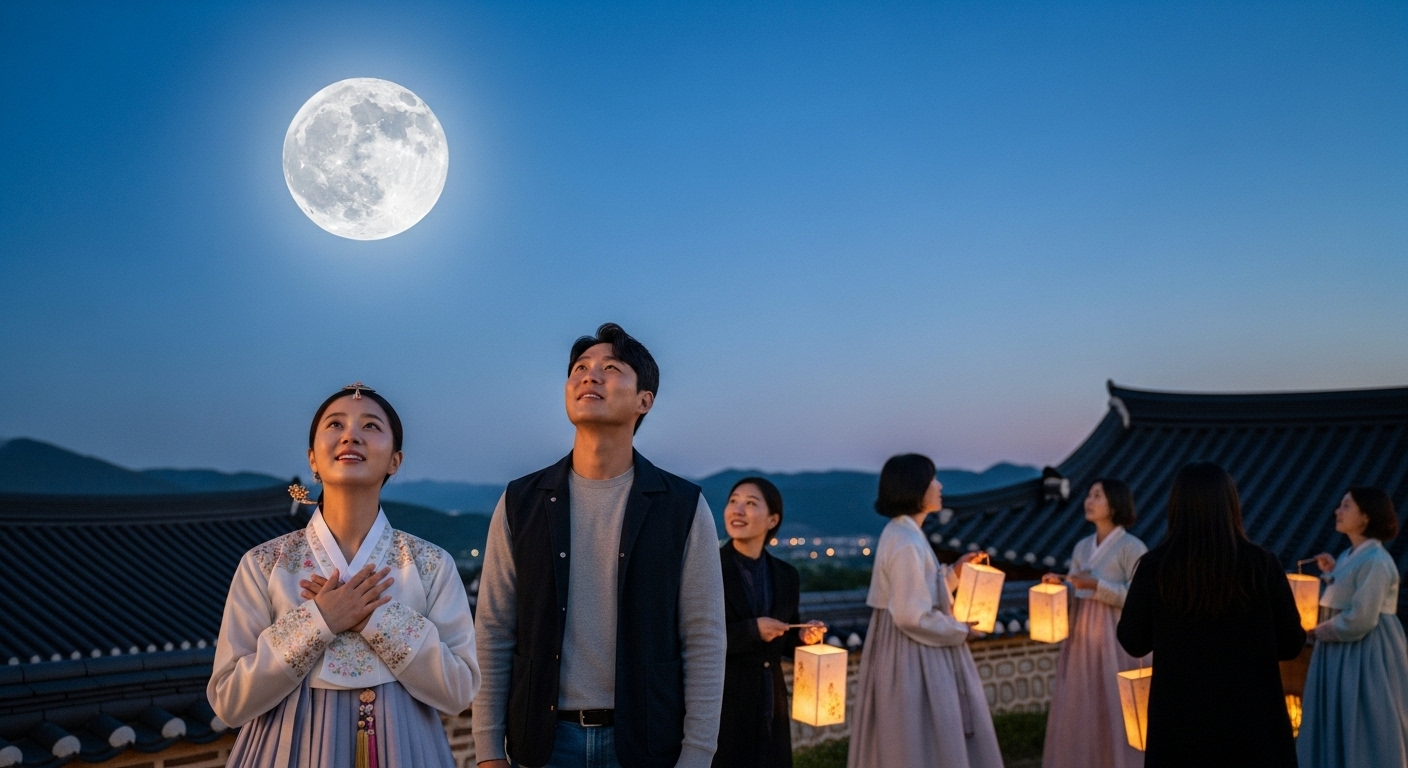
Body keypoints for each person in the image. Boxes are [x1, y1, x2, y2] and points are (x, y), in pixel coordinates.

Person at [473, 324, 726, 768]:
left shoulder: (682, 507)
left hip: (647, 742)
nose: (590, 376)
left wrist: (697, 755)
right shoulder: (521, 501)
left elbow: (704, 638)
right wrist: (488, 751)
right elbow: (494, 629)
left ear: (644, 401)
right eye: (580, 369)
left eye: (611, 368)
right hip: (543, 742)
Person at [209, 383, 480, 767]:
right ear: (312, 460)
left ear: (395, 462)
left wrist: (377, 619)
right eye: (335, 424)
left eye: (370, 426)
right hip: (286, 747)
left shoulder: (430, 564)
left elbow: (459, 691)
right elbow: (229, 700)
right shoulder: (265, 564)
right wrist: (319, 621)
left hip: (404, 748)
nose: (350, 434)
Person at [1117, 462, 1305, 768]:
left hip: (1180, 724)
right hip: (1253, 723)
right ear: (1230, 505)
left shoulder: (1155, 567)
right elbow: (1291, 643)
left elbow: (1133, 640)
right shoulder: (1262, 565)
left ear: (1176, 506)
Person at [848, 453, 1004, 768]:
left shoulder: (904, 534)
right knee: (920, 737)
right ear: (916, 487)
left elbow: (917, 593)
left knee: (915, 738)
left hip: (905, 646)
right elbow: (911, 614)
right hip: (911, 650)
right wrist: (961, 630)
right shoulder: (906, 541)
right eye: (933, 479)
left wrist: (954, 574)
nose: (940, 485)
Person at [714, 477, 826, 768]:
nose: (737, 510)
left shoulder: (786, 575)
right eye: (733, 501)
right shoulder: (708, 569)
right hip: (723, 705)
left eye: (750, 503)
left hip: (771, 703)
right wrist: (752, 631)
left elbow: (786, 639)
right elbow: (692, 637)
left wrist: (804, 637)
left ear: (772, 519)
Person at [1041, 478, 1148, 768]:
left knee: (1116, 704)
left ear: (1115, 503)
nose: (1089, 501)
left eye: (1097, 496)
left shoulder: (1132, 547)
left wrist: (1098, 585)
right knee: (1085, 704)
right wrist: (1059, 585)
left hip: (1117, 637)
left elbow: (1141, 598)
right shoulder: (1082, 547)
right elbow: (1076, 586)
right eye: (1089, 495)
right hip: (1083, 635)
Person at [1297, 487, 1408, 767]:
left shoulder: (1377, 561)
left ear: (1366, 517)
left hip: (1364, 649)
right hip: (1343, 648)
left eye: (1346, 506)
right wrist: (1332, 572)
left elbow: (1361, 617)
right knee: (1342, 714)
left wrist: (1318, 632)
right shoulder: (1352, 555)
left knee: (1362, 716)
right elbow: (1349, 592)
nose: (1338, 510)